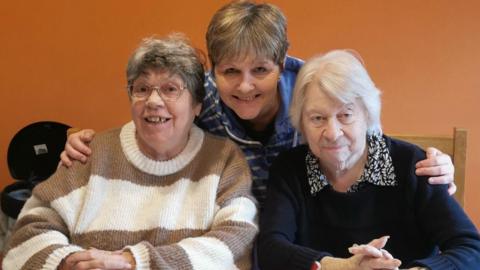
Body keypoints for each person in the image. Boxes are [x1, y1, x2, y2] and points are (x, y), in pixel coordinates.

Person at [59, 1, 455, 206]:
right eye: (230, 71)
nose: (245, 86)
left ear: (282, 63)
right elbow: (154, 123)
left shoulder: (317, 90)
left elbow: (366, 150)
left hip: (310, 224)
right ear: (213, 68)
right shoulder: (203, 98)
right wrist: (91, 147)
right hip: (232, 226)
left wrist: (434, 175)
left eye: (260, 70)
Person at [2, 34, 257, 270]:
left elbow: (234, 244)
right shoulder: (89, 155)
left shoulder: (224, 160)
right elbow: (26, 237)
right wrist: (68, 262)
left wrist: (134, 261)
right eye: (142, 89)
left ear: (197, 105)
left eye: (170, 89)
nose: (153, 102)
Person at [257, 50, 480, 270]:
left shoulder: (413, 165)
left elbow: (470, 248)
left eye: (345, 115)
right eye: (317, 118)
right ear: (301, 122)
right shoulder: (290, 169)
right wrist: (339, 267)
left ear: (368, 114)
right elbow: (270, 249)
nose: (332, 132)